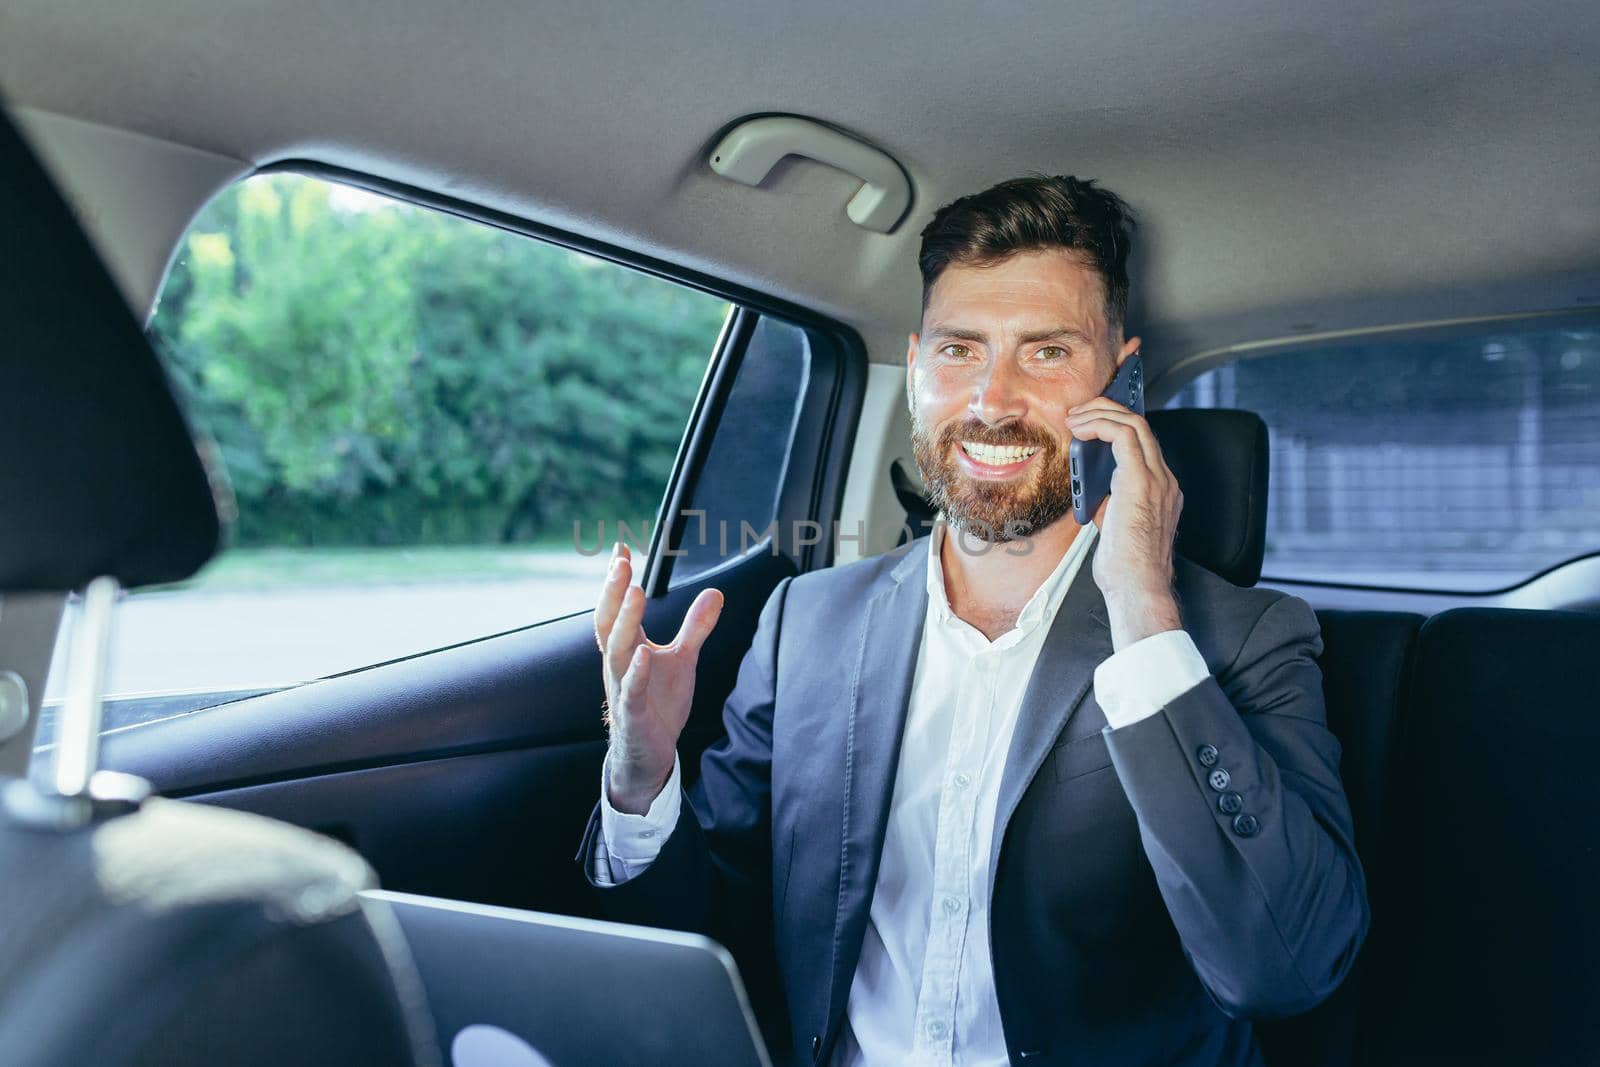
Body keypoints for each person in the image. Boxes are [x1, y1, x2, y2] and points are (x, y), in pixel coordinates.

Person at [576, 175, 1368, 1067]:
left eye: (1046, 353)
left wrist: (1145, 610)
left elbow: (1286, 966)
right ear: (917, 364)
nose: (992, 399)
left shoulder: (1246, 637)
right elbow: (713, 932)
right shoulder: (807, 621)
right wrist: (640, 779)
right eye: (960, 349)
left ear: (1122, 377)